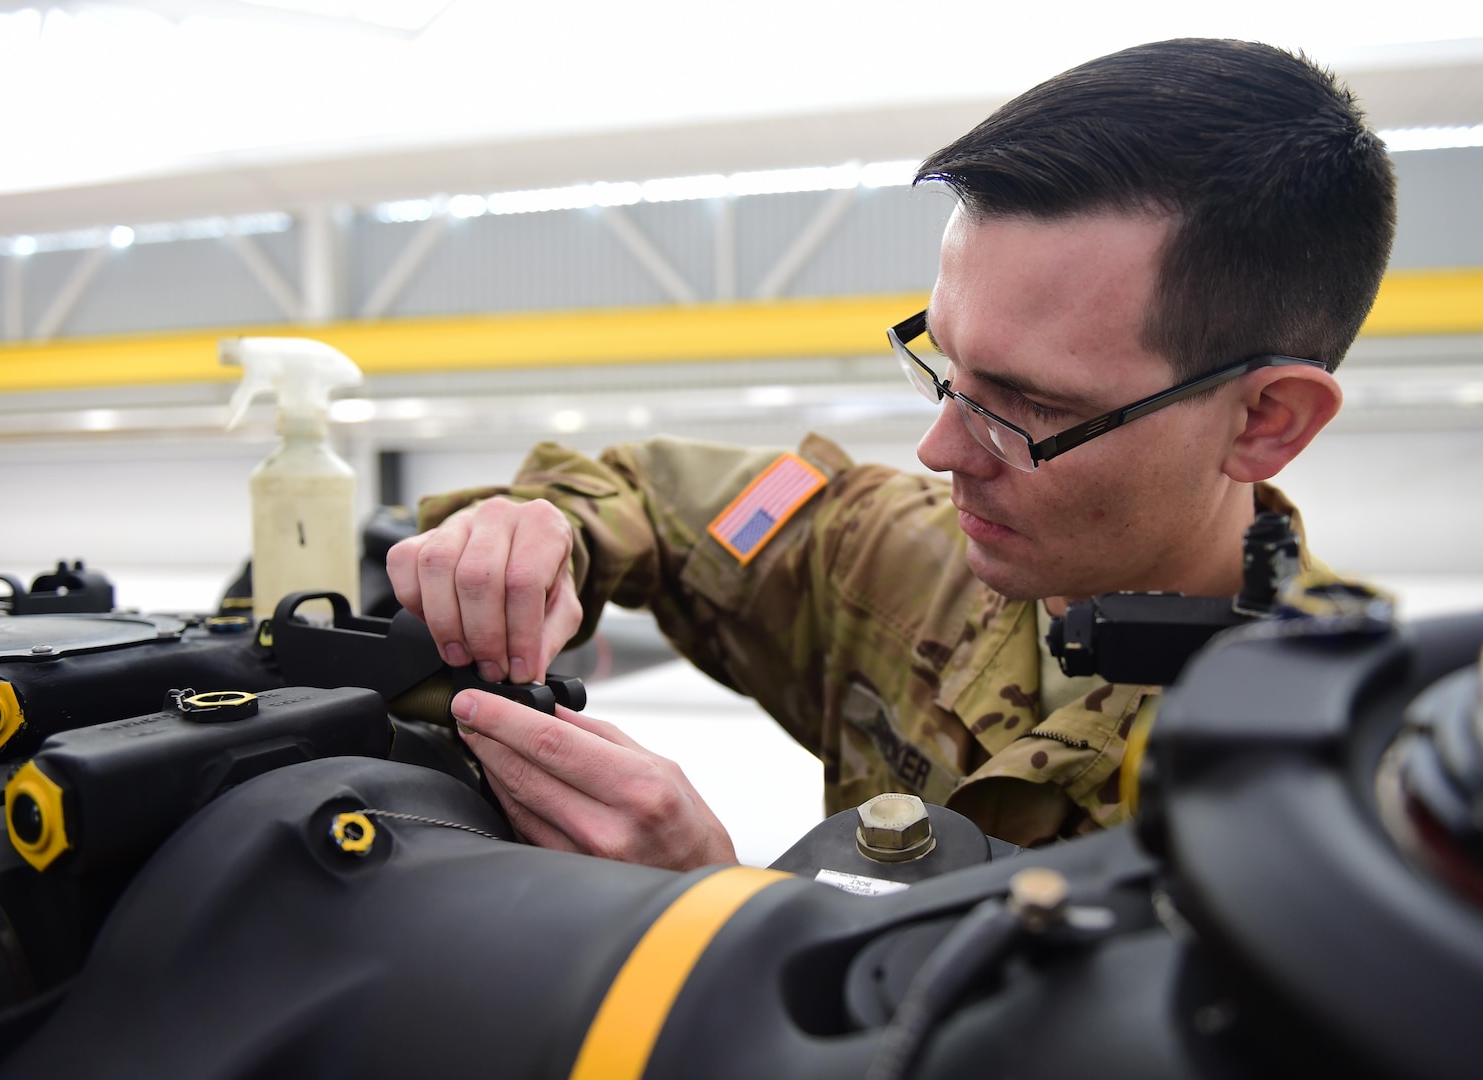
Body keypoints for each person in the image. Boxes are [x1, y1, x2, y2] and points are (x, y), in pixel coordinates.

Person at [386, 38, 1397, 870]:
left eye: (1031, 404)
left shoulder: (1343, 802)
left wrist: (718, 918)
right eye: (946, 365)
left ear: (1267, 421)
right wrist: (541, 534)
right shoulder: (891, 555)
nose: (942, 447)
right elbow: (649, 495)